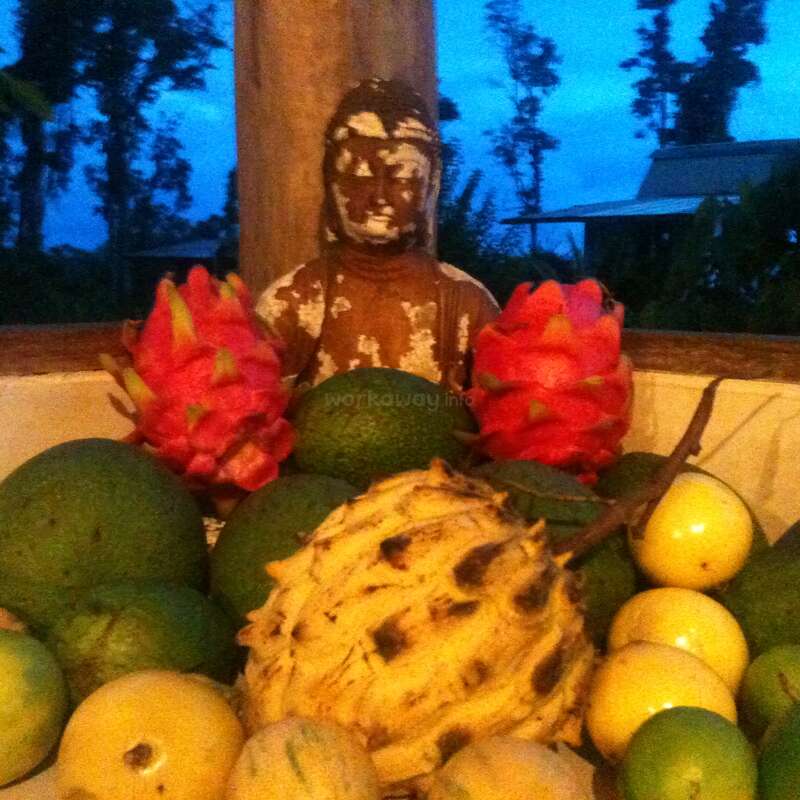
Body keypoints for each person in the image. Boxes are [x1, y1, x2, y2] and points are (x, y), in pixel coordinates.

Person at [256, 77, 499, 389]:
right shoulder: (291, 301)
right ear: (331, 183)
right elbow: (256, 414)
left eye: (403, 178)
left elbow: (499, 419)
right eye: (359, 175)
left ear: (431, 187)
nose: (379, 196)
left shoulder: (468, 303)